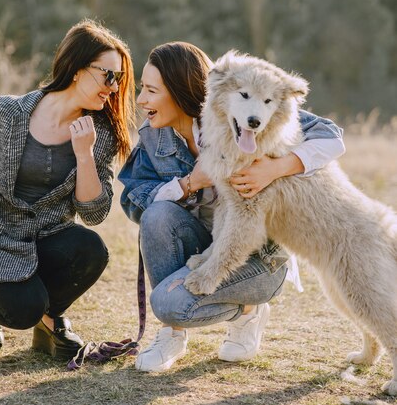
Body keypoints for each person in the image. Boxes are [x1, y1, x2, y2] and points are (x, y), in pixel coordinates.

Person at [118, 42, 345, 372]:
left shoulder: (242, 106)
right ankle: (172, 333)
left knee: (171, 304)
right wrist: (189, 184)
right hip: (206, 249)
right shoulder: (153, 136)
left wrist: (276, 167)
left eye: (151, 91)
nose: (141, 101)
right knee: (157, 216)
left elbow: (333, 137)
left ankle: (249, 312)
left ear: (180, 92)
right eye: (142, 89)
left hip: (260, 257)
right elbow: (133, 201)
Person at [0, 19, 135, 360]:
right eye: (108, 75)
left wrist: (84, 154)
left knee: (90, 250)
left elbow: (94, 213)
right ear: (77, 69)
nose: (114, 87)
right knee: (22, 310)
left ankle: (49, 320)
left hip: (45, 238)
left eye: (120, 78)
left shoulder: (100, 133)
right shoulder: (5, 114)